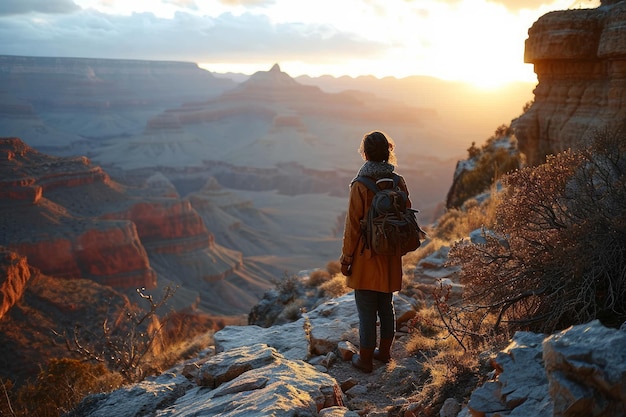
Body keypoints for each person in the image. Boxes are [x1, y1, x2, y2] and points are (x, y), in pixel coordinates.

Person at [339, 130, 411, 373]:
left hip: (365, 257)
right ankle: (385, 353)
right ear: (388, 152)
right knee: (386, 304)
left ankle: (366, 359)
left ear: (366, 154)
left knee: (367, 308)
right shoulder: (398, 181)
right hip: (390, 255)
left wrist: (346, 258)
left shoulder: (360, 185)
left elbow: (352, 226)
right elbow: (406, 212)